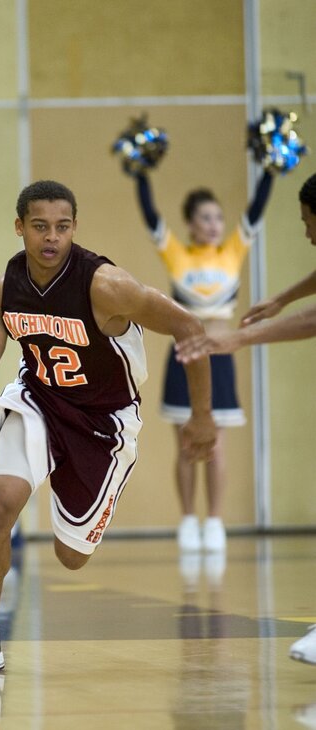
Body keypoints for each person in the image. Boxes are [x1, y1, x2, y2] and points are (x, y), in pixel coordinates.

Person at [0, 179, 217, 674]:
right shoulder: (3, 290)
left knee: (71, 558)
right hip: (39, 402)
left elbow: (189, 328)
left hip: (104, 420)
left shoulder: (106, 285)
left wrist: (202, 415)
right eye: (39, 226)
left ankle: (78, 491)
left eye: (62, 226)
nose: (51, 237)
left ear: (74, 227)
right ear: (19, 227)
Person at [175, 172, 316, 666]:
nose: (306, 233)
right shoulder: (182, 257)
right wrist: (282, 298)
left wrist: (238, 338)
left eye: (308, 223)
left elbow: (314, 319)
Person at [126, 165, 274, 553]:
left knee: (215, 446)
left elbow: (255, 212)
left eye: (218, 218)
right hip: (184, 356)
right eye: (205, 218)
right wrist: (140, 173)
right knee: (186, 445)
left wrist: (270, 170)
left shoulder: (232, 251)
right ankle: (189, 519)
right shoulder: (178, 254)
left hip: (219, 357)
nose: (213, 224)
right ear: (191, 225)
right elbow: (151, 217)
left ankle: (215, 521)